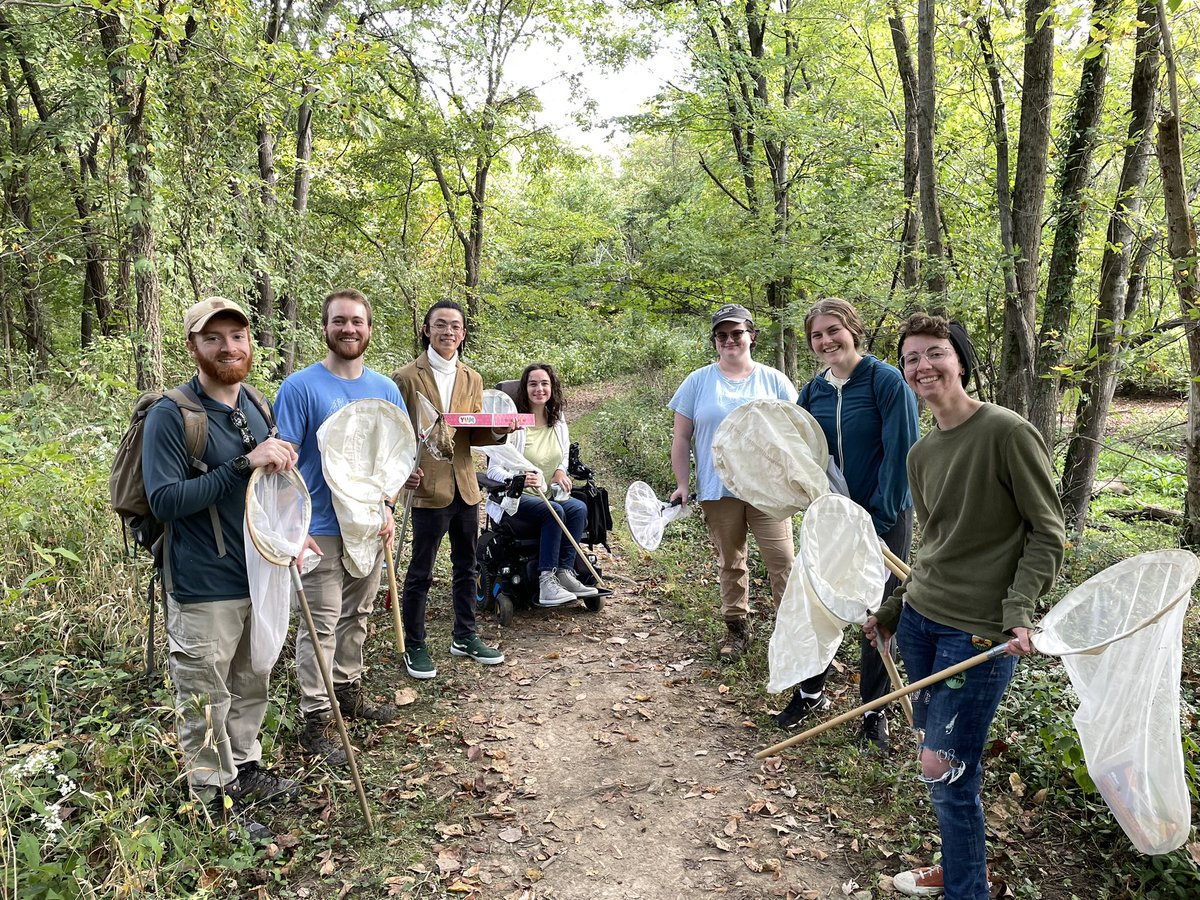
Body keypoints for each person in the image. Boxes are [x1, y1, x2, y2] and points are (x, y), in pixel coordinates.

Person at [864, 313, 1065, 899]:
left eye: (935, 353)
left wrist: (1020, 608)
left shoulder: (1007, 432)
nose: (923, 366)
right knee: (943, 759)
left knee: (941, 765)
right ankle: (960, 870)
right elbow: (936, 545)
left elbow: (1048, 532)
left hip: (978, 633)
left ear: (961, 361)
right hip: (923, 622)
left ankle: (966, 890)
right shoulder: (922, 453)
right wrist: (897, 606)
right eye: (911, 359)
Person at [143, 297, 302, 841]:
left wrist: (293, 540)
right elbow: (164, 499)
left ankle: (246, 766)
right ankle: (213, 797)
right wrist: (241, 463)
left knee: (252, 676)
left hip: (259, 573)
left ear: (250, 342)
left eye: (237, 336)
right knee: (205, 693)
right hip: (203, 582)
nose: (228, 347)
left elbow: (267, 492)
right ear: (193, 347)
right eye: (213, 339)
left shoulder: (255, 402)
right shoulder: (172, 415)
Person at [275, 288, 418, 764]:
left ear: (370, 329)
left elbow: (394, 459)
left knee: (358, 615)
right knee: (320, 623)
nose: (349, 329)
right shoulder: (300, 388)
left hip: (370, 525)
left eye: (357, 321)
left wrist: (389, 507)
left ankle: (348, 689)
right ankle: (317, 717)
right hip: (320, 526)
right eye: (339, 321)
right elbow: (285, 465)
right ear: (325, 328)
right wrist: (296, 527)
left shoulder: (385, 389)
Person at [777, 298, 920, 751]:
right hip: (833, 519)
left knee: (876, 612)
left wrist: (876, 520)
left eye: (833, 330)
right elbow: (803, 456)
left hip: (884, 517)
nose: (826, 341)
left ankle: (874, 711)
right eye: (817, 335)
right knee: (820, 601)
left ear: (853, 329)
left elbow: (902, 455)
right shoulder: (813, 392)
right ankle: (810, 692)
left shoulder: (885, 382)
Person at [668, 303, 798, 661]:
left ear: (751, 337)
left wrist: (797, 478)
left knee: (783, 560)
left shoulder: (772, 380)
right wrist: (683, 483)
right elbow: (681, 437)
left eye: (737, 333)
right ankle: (737, 629)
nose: (730, 340)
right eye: (722, 335)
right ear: (715, 341)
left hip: (768, 489)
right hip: (717, 489)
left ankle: (791, 634)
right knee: (731, 561)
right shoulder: (698, 382)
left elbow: (798, 430)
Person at [393, 300, 506, 679]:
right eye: (440, 325)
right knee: (421, 570)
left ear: (463, 333)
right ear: (426, 329)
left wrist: (500, 429)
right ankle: (415, 644)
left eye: (455, 327)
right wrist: (401, 473)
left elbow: (472, 434)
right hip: (427, 486)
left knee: (466, 565)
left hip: (466, 485)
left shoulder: (472, 378)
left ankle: (465, 635)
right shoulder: (406, 377)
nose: (448, 333)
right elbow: (396, 432)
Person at [485, 362, 599, 606]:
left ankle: (564, 573)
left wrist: (560, 471)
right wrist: (518, 478)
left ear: (552, 388)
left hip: (548, 494)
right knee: (554, 511)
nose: (539, 389)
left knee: (578, 508)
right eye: (533, 384)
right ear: (524, 389)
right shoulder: (514, 424)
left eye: (544, 384)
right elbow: (493, 469)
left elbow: (564, 455)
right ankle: (546, 581)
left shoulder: (558, 421)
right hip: (515, 499)